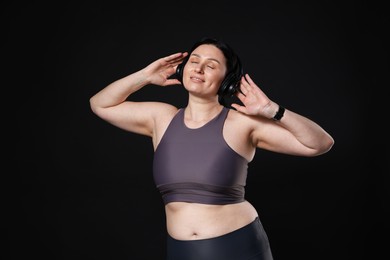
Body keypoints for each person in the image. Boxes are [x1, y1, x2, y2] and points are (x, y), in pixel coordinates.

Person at [89, 37, 334, 260]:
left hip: (237, 247)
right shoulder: (161, 118)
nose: (199, 68)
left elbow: (320, 144)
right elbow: (100, 104)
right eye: (194, 61)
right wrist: (145, 75)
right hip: (182, 251)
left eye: (211, 65)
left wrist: (273, 111)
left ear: (226, 80)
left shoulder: (241, 124)